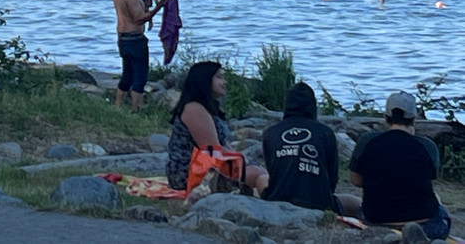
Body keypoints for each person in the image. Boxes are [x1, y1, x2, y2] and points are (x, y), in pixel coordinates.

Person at [349, 91, 451, 240]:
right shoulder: (427, 146)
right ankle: (423, 238)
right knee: (440, 207)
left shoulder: (367, 141)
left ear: (385, 118)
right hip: (423, 221)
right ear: (414, 120)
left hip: (376, 219)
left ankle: (392, 236)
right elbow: (428, 178)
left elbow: (355, 180)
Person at [166, 61, 270, 194]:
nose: (224, 82)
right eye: (219, 77)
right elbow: (212, 151)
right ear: (205, 81)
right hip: (189, 173)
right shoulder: (194, 109)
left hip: (206, 166)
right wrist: (241, 163)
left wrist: (241, 160)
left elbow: (221, 147)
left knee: (259, 170)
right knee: (257, 174)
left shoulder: (206, 108)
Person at [262, 82, 361, 215]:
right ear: (313, 106)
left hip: (277, 201)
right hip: (318, 204)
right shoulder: (325, 133)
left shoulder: (271, 133)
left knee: (261, 181)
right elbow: (332, 178)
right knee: (354, 202)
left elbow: (273, 171)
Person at [113, 0, 166, 110]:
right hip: (134, 39)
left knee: (128, 73)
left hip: (123, 38)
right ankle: (136, 109)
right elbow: (139, 19)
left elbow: (142, 6)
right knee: (140, 76)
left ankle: (118, 106)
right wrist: (159, 7)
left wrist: (148, 6)